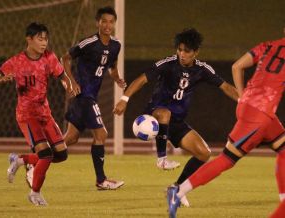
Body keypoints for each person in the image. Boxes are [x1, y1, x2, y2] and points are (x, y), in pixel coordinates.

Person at [113, 28, 238, 206]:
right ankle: (162, 159)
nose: (182, 54)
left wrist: (244, 101)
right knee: (165, 113)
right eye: (179, 49)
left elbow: (226, 87)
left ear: (196, 52)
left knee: (204, 153)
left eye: (187, 51)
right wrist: (124, 99)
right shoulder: (168, 63)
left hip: (176, 122)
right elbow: (141, 79)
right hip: (155, 113)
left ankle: (176, 188)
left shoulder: (202, 69)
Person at [167, 30, 285, 218]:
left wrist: (243, 97)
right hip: (259, 115)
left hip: (253, 108)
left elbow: (237, 66)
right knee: (226, 160)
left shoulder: (268, 45)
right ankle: (178, 191)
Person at [0, 22, 74, 206]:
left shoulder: (49, 57)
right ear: (29, 39)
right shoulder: (16, 61)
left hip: (45, 114)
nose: (44, 43)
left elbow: (62, 76)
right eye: (40, 39)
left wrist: (67, 84)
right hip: (27, 115)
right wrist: (1, 80)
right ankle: (34, 193)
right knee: (45, 154)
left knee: (61, 155)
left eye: (46, 39)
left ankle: (19, 160)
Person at [62, 6, 126, 190]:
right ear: (98, 22)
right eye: (104, 21)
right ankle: (101, 180)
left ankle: (32, 161)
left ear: (114, 24)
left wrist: (117, 79)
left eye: (111, 22)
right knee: (102, 134)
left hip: (89, 97)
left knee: (71, 138)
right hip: (84, 96)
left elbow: (111, 67)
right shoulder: (88, 43)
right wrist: (71, 82)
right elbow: (65, 58)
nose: (107, 25)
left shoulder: (116, 45)